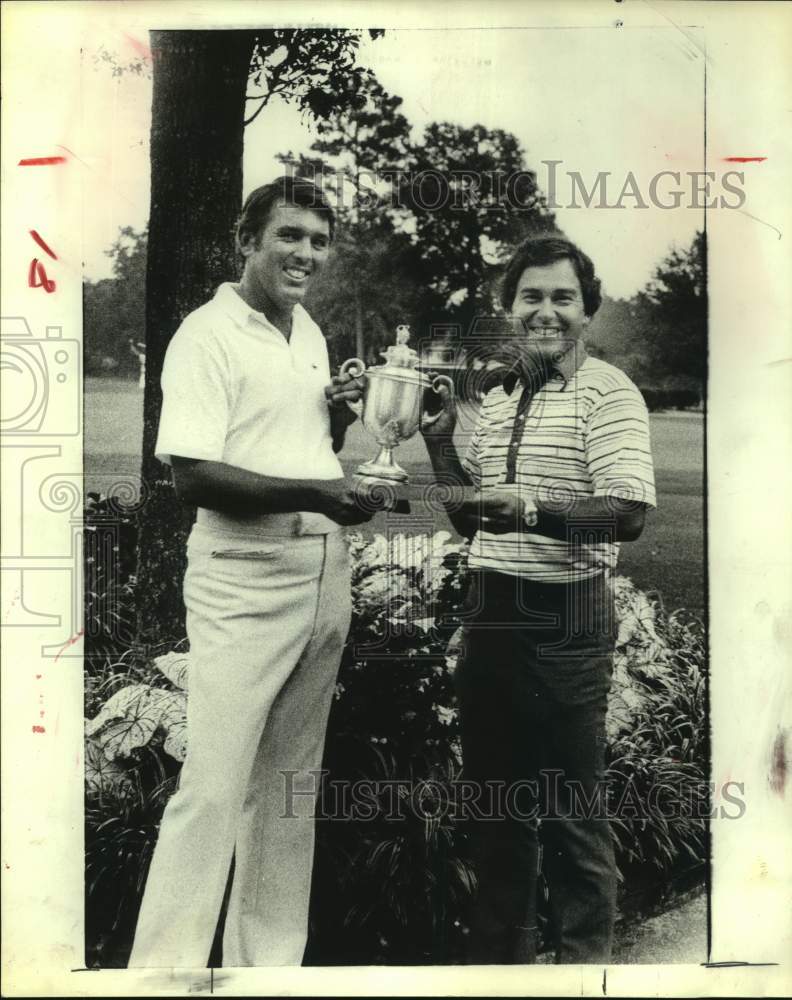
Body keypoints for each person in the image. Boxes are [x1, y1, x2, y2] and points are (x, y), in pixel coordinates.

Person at [128, 176, 372, 968]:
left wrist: (334, 412)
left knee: (290, 790)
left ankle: (266, 973)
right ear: (248, 240)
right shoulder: (206, 334)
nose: (305, 253)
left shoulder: (307, 331)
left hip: (321, 573)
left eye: (318, 241)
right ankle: (162, 978)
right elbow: (192, 477)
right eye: (289, 236)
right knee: (213, 788)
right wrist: (318, 490)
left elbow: (305, 450)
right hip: (242, 579)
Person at [420, 233, 656, 964]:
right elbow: (471, 517)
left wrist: (527, 508)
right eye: (532, 297)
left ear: (587, 310)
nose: (546, 312)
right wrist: (437, 444)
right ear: (508, 306)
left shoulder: (609, 391)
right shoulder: (498, 393)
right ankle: (503, 973)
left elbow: (628, 514)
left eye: (563, 298)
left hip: (565, 617)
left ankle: (585, 974)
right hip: (493, 612)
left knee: (571, 815)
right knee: (497, 815)